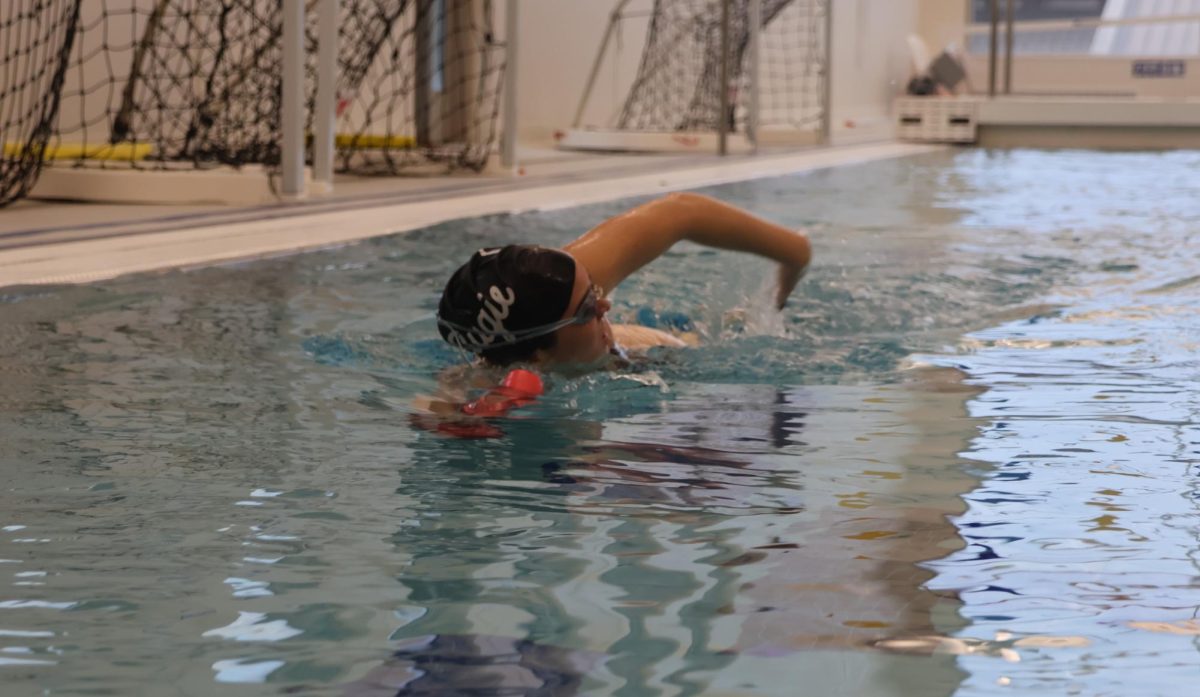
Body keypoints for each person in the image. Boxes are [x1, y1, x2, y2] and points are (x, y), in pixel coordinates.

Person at [436, 192, 811, 370]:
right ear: (538, 353)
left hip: (663, 349)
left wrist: (793, 255)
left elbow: (683, 213)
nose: (605, 305)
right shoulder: (482, 394)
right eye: (587, 310)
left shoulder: (560, 282)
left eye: (595, 290)